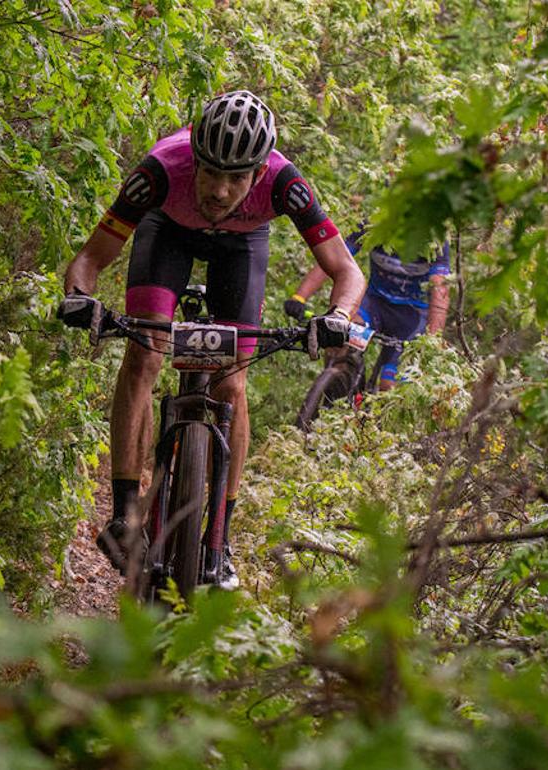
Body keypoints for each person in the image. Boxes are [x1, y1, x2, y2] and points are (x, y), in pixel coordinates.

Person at [60, 91, 365, 589]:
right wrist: (79, 297)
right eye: (211, 172)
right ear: (195, 158)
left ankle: (219, 542)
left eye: (238, 178)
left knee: (232, 384)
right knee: (145, 354)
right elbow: (91, 259)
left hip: (242, 248)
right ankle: (123, 515)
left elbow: (347, 272)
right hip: (168, 235)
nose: (221, 191)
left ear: (259, 172)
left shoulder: (285, 182)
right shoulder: (160, 169)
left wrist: (337, 315)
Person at [284, 224, 449, 390]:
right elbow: (334, 258)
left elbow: (440, 291)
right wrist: (299, 297)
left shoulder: (434, 237)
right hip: (374, 304)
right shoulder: (375, 222)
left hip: (410, 318)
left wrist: (432, 340)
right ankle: (334, 399)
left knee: (389, 385)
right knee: (338, 340)